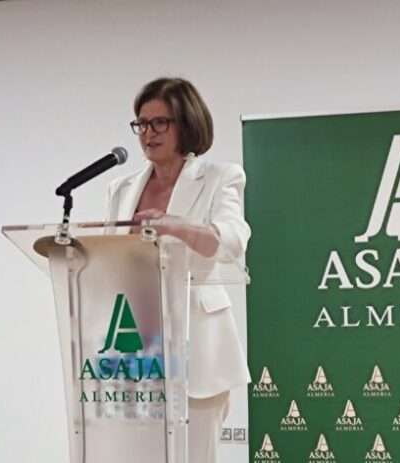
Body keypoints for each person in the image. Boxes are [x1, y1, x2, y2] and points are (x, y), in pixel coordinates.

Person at [104, 77, 250, 463]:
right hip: (136, 345)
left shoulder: (221, 177)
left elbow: (232, 239)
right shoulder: (121, 188)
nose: (147, 133)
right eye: (141, 124)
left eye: (159, 123)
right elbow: (111, 257)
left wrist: (177, 225)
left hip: (198, 346)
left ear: (185, 123)